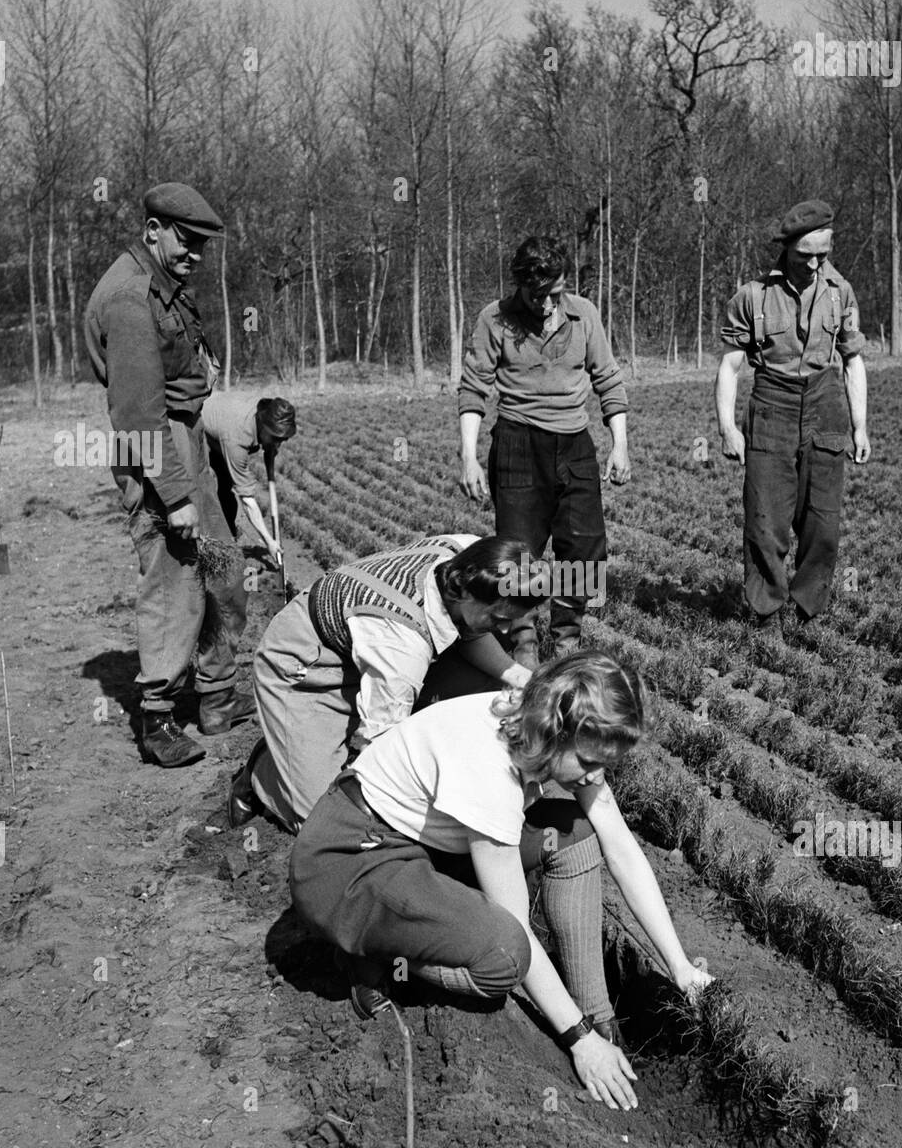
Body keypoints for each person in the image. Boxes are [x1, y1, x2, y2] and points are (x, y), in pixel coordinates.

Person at [290, 651, 712, 1111]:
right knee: (504, 957)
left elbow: (621, 850)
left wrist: (681, 969)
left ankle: (599, 1013)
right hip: (351, 859)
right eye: (590, 761)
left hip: (425, 846)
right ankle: (373, 953)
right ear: (556, 734)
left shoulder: (541, 728)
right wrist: (577, 1041)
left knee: (577, 835)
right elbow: (519, 932)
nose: (595, 776)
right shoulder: (489, 768)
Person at [84, 181, 252, 767]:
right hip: (155, 449)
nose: (196, 254)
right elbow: (136, 413)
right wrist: (177, 495)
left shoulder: (165, 285)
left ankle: (216, 696)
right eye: (187, 240)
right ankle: (157, 718)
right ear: (153, 229)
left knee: (222, 570)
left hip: (183, 438)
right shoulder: (130, 299)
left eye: (203, 244)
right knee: (174, 583)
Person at [231, 533, 551, 834]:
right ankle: (265, 770)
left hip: (374, 650)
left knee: (491, 699)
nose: (507, 630)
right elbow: (385, 747)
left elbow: (470, 631)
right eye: (498, 618)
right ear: (464, 591)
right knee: (327, 822)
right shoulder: (401, 646)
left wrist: (520, 677)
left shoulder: (468, 553)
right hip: (307, 665)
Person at [458, 235, 631, 668]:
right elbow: (474, 390)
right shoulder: (494, 319)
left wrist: (620, 445)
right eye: (539, 296)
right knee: (519, 555)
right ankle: (525, 644)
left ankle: (568, 637)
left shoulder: (584, 314)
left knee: (586, 549)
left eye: (556, 292)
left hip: (574, 444)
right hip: (517, 444)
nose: (549, 304)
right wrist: (468, 456)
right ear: (521, 286)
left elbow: (608, 380)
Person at [713, 199, 870, 636]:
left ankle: (806, 610)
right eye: (806, 255)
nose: (816, 264)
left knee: (822, 522)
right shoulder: (752, 296)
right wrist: (727, 428)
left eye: (824, 254)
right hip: (772, 407)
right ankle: (766, 614)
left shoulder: (842, 292)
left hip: (826, 404)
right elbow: (729, 366)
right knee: (765, 519)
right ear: (786, 250)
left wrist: (860, 426)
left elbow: (853, 361)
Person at [201, 392, 297, 564]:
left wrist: (270, 447)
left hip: (222, 420)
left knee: (225, 490)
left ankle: (227, 537)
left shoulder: (267, 409)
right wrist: (269, 541)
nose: (278, 443)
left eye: (283, 439)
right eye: (275, 438)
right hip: (200, 427)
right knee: (203, 489)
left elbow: (270, 440)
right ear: (262, 425)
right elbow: (247, 501)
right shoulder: (237, 439)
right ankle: (205, 543)